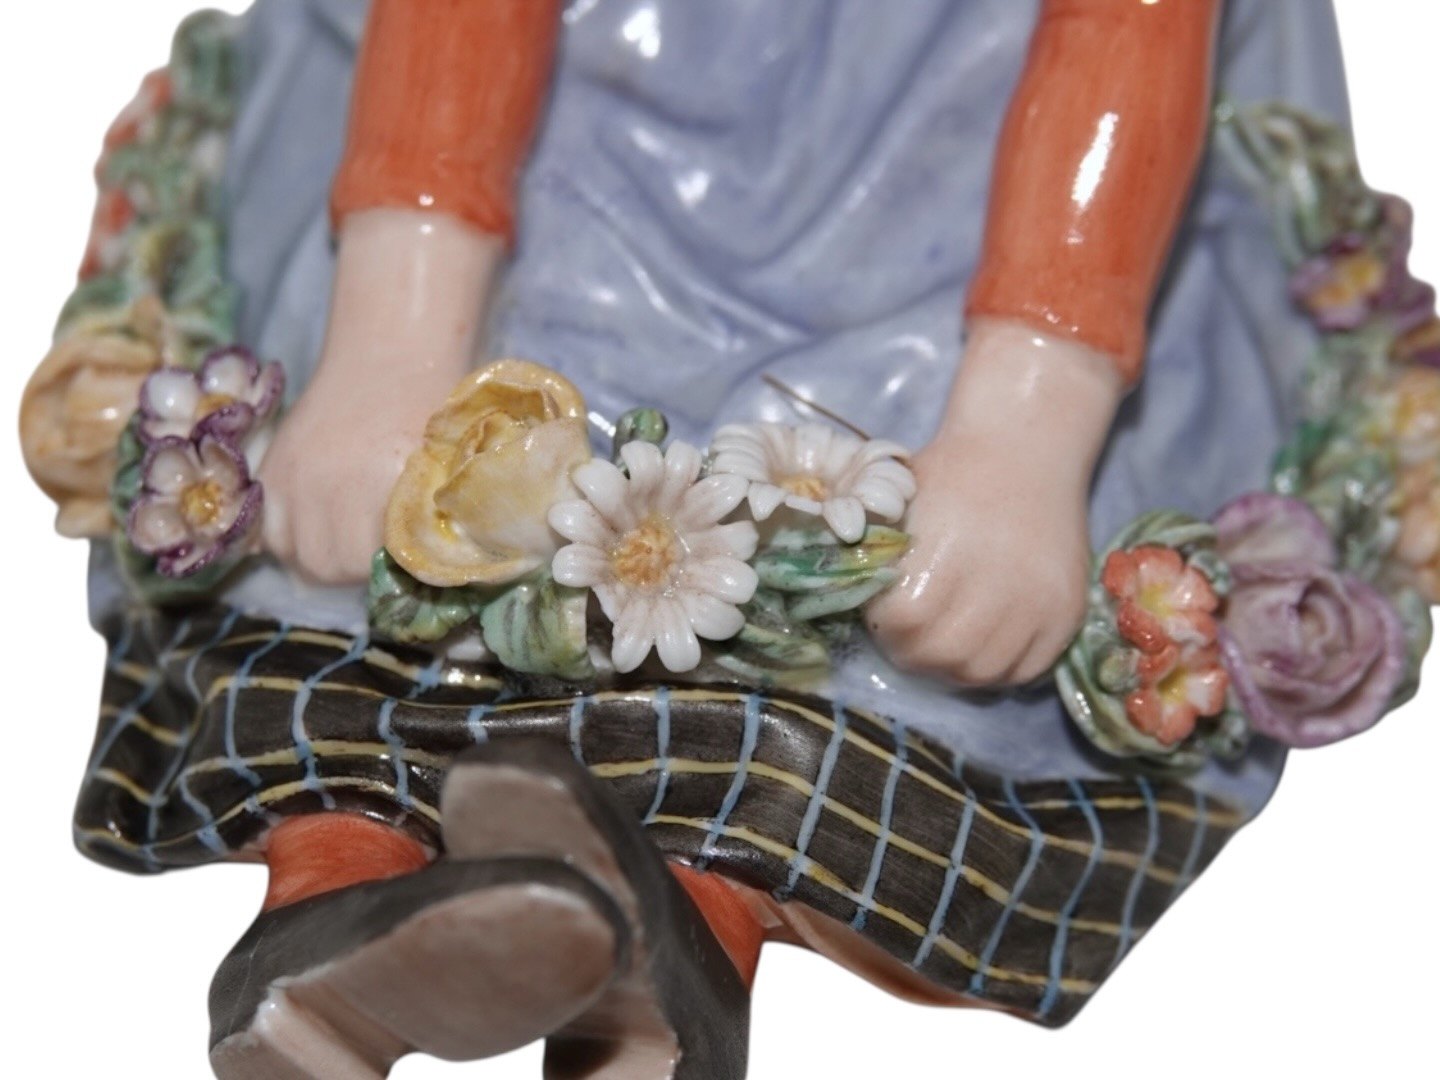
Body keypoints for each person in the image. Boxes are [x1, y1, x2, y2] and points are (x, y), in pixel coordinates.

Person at [35, 0, 1359, 1075]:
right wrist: (393, 332)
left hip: (951, 194)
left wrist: (1029, 427)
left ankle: (668, 949)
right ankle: (334, 898)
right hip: (545, 149)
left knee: (875, 578)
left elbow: (1126, 36)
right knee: (394, 509)